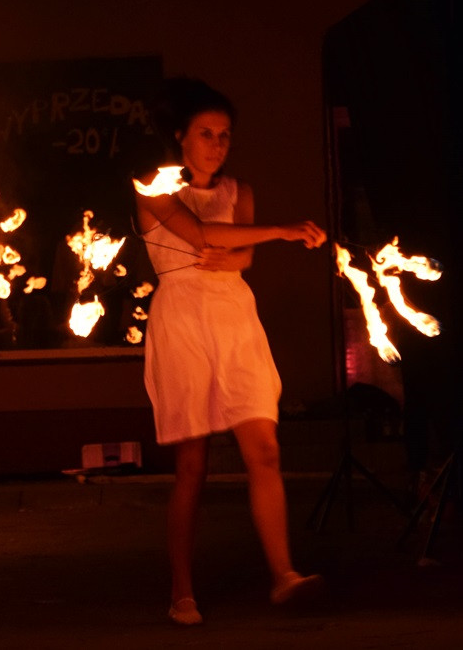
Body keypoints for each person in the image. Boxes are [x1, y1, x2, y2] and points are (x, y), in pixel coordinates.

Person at [133, 77, 327, 624]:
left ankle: (284, 575)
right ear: (181, 137)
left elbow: (239, 260)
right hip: (183, 320)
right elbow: (200, 237)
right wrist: (282, 232)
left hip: (235, 318)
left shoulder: (240, 191)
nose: (217, 145)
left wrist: (245, 247)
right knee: (192, 463)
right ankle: (182, 590)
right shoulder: (153, 187)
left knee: (263, 449)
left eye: (224, 135)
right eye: (206, 133)